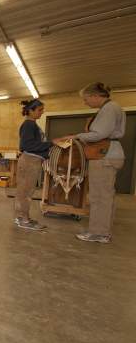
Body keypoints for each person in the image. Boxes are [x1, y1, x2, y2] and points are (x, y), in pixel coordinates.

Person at [58, 82, 126, 243]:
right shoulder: (110, 108)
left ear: (96, 96)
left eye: (86, 99)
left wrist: (76, 136)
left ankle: (99, 233)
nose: (85, 102)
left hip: (105, 156)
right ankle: (102, 231)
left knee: (100, 196)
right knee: (105, 196)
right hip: (109, 155)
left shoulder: (109, 108)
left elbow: (99, 134)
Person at [14, 99, 54, 230]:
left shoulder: (33, 125)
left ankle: (22, 217)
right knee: (25, 192)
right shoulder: (29, 125)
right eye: (39, 110)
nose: (42, 112)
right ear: (30, 111)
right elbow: (27, 145)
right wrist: (52, 142)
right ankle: (23, 220)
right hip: (29, 161)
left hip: (32, 160)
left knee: (25, 191)